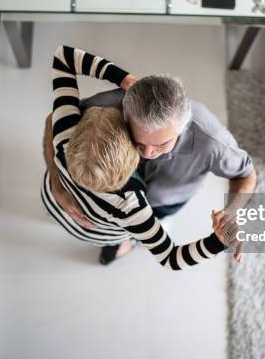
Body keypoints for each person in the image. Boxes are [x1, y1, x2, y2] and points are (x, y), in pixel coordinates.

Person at [41, 45, 238, 268]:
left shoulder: (64, 135)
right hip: (103, 234)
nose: (148, 153)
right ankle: (125, 245)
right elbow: (171, 258)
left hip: (56, 204)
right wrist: (218, 242)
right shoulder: (131, 207)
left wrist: (124, 79)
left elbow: (63, 57)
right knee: (133, 236)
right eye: (138, 144)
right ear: (132, 162)